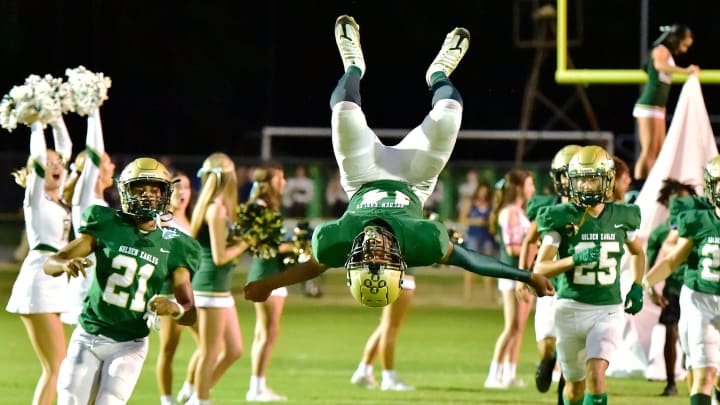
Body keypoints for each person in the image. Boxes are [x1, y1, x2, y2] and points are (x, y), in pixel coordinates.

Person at [243, 15, 553, 307]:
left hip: (361, 179)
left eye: (366, 258)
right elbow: (472, 260)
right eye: (383, 257)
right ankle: (438, 73)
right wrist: (527, 276)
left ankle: (353, 65)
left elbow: (311, 267)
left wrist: (269, 284)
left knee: (343, 112)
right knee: (449, 112)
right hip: (413, 181)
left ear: (351, 261)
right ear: (401, 262)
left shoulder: (333, 242)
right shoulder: (423, 243)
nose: (374, 248)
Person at [44, 157, 200, 405]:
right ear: (126, 192)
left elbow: (191, 313)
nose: (147, 196)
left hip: (130, 342)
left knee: (110, 401)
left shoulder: (176, 244)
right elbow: (51, 263)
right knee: (70, 400)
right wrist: (64, 264)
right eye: (139, 189)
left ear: (164, 194)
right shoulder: (108, 224)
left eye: (153, 189)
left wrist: (175, 308)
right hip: (90, 333)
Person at [534, 145, 646, 405]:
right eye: (581, 179)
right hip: (569, 308)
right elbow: (540, 267)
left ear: (606, 180)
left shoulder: (622, 216)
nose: (585, 186)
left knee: (596, 372)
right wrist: (574, 260)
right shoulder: (561, 217)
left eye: (592, 178)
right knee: (574, 387)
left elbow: (638, 252)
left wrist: (638, 284)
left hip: (607, 308)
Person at [6, 117, 72, 405]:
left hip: (56, 280)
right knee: (57, 367)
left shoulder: (61, 199)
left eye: (58, 164)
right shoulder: (35, 198)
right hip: (39, 281)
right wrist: (36, 123)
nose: (56, 166)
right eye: (49, 163)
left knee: (60, 367)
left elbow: (67, 151)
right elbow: (38, 158)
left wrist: (56, 118)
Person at [643, 156, 720, 405]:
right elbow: (672, 259)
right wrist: (643, 283)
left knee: (711, 374)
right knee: (703, 372)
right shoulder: (700, 220)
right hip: (702, 300)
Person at [517, 144, 581, 398]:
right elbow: (529, 240)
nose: (565, 180)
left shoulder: (593, 209)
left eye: (569, 173)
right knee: (547, 344)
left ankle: (564, 393)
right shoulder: (547, 207)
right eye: (562, 174)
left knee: (573, 352)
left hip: (578, 284)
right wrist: (522, 275)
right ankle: (547, 361)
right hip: (549, 282)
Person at [183, 153, 247, 405]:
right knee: (210, 352)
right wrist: (246, 243)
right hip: (210, 289)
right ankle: (200, 399)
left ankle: (197, 394)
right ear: (227, 177)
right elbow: (220, 257)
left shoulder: (216, 206)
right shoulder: (216, 209)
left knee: (234, 350)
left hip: (220, 290)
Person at [61, 107, 117, 326]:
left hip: (104, 287)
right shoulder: (85, 201)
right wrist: (94, 111)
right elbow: (94, 153)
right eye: (108, 162)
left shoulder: (101, 203)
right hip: (88, 289)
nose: (112, 166)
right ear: (96, 170)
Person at [244, 163, 293, 401]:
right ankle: (256, 387)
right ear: (268, 183)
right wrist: (297, 246)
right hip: (265, 274)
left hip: (273, 274)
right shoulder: (259, 207)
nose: (283, 183)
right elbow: (266, 245)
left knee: (266, 333)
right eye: (280, 178)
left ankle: (258, 385)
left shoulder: (270, 207)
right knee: (267, 332)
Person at [644, 178, 696, 397]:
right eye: (676, 202)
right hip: (674, 288)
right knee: (671, 333)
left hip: (697, 289)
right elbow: (649, 263)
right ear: (668, 204)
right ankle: (671, 381)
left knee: (696, 336)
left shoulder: (700, 225)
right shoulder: (660, 232)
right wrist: (650, 289)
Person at [485, 169, 536, 388]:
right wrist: (537, 247)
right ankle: (493, 374)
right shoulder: (510, 213)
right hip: (512, 275)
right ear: (518, 187)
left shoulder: (519, 211)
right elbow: (513, 247)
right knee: (511, 326)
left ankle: (509, 373)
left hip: (523, 276)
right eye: (529, 184)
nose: (532, 188)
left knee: (519, 327)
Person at [633, 24, 699, 182]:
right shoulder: (661, 50)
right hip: (648, 106)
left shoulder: (668, 54)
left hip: (658, 107)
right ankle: (639, 186)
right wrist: (686, 70)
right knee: (648, 150)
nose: (684, 50)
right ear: (675, 39)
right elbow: (659, 65)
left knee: (659, 151)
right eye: (683, 44)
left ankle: (653, 183)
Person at [156, 172, 199, 405]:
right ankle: (167, 400)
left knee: (209, 345)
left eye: (187, 188)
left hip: (190, 293)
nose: (183, 193)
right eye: (177, 188)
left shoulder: (192, 222)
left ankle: (190, 387)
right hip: (168, 292)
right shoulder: (163, 221)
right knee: (169, 348)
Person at [350, 267, 418, 391]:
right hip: (399, 276)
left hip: (392, 275)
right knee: (390, 328)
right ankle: (389, 377)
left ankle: (363, 370)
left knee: (386, 326)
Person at [457, 182, 496, 303]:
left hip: (487, 238)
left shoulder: (491, 204)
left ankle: (489, 296)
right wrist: (476, 221)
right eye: (481, 191)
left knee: (488, 267)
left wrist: (488, 223)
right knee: (470, 267)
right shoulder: (470, 203)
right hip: (473, 237)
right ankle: (468, 296)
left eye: (485, 191)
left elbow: (495, 221)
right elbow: (462, 220)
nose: (483, 194)